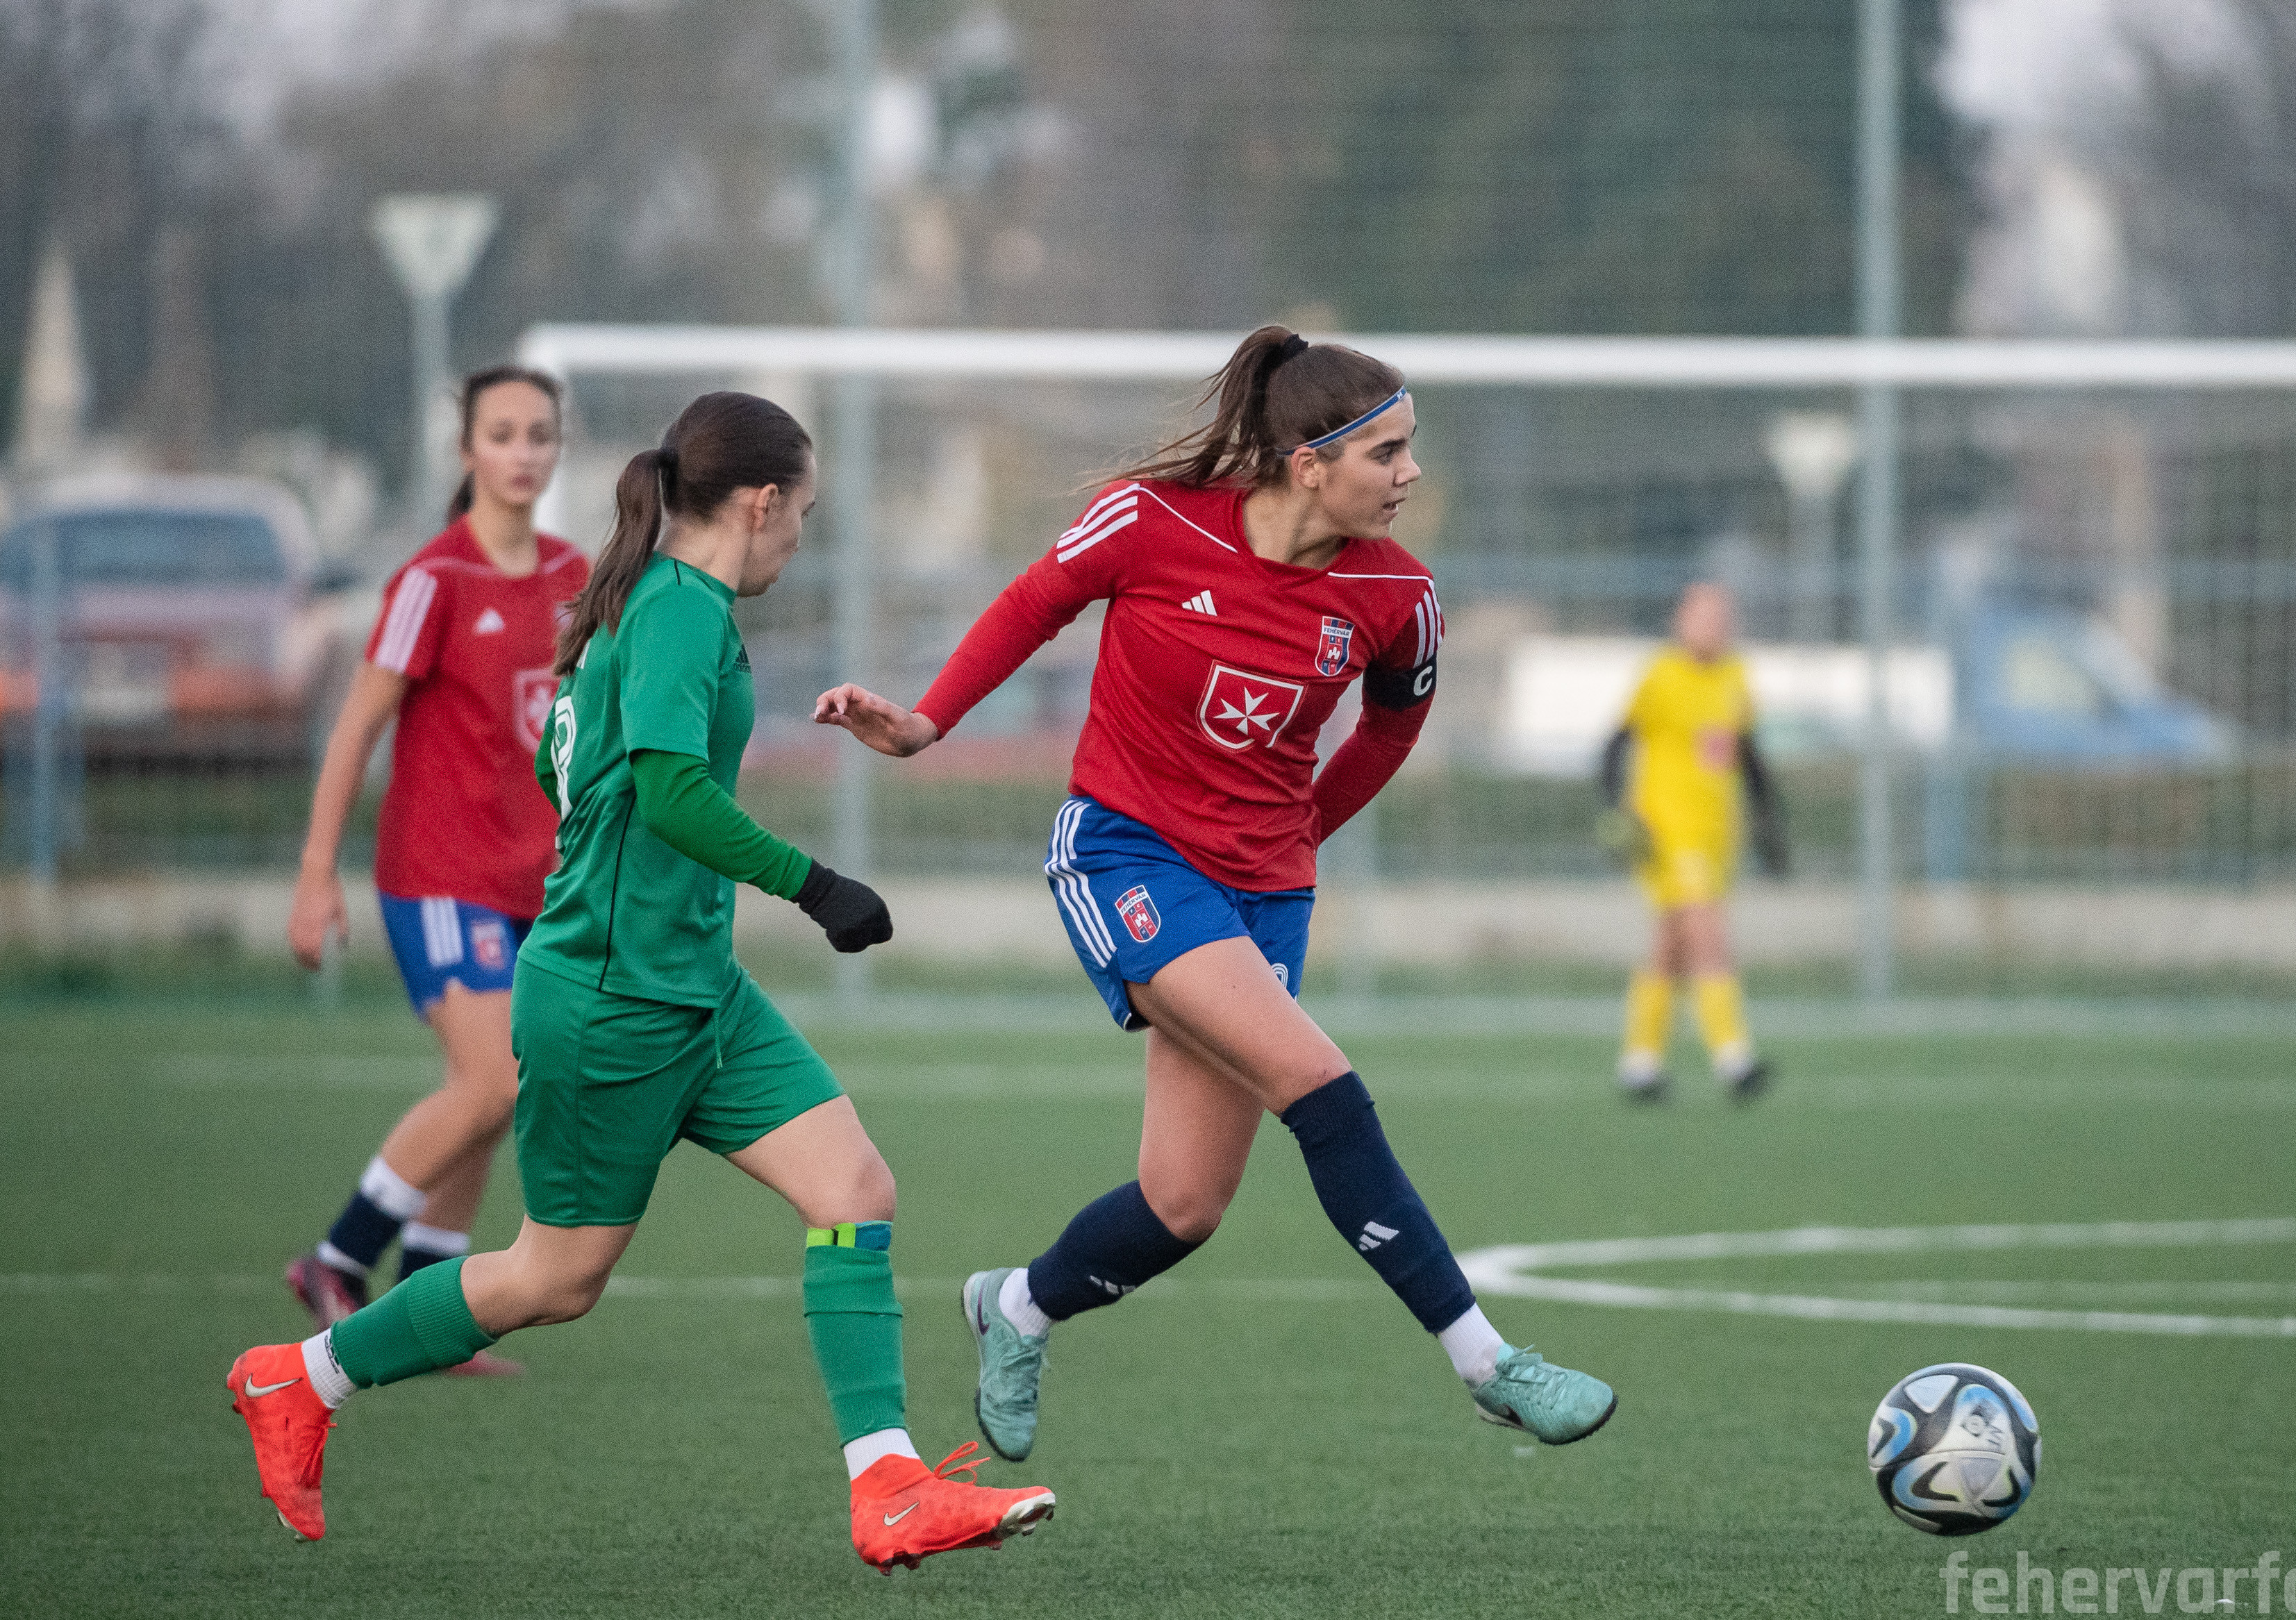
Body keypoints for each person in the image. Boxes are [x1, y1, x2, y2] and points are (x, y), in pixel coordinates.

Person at [231, 392, 1058, 1573]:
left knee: (853, 1186)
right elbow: (667, 793)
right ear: (760, 504)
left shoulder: (647, 602)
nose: (801, 536)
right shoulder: (675, 610)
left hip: (697, 987)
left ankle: (890, 1487)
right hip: (614, 1000)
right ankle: (300, 1378)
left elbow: (560, 764)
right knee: (554, 1277)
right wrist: (816, 884)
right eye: (804, 513)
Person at [815, 326, 1615, 1465]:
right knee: (1319, 1082)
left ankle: (1017, 1306)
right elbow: (1034, 601)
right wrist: (927, 721)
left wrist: (1305, 830)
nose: (1411, 472)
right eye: (1387, 452)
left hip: (1266, 892)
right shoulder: (1151, 520)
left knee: (1184, 1204)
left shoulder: (1401, 595)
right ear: (1309, 464)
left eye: (1412, 447)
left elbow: (1393, 728)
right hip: (1126, 854)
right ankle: (1489, 1362)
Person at [283, 365, 588, 1376]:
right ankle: (336, 1259)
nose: (522, 452)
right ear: (467, 451)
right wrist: (317, 869)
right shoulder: (433, 580)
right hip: (439, 875)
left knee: (503, 1085)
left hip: (534, 880)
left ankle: (432, 1303)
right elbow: (356, 726)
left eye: (539, 433)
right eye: (501, 433)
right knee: (492, 1079)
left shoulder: (575, 576)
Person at [1595, 581, 1788, 1104]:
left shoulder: (1736, 675)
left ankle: (1640, 1063)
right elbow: (1615, 744)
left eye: (1722, 617)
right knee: (1708, 933)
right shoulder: (1661, 674)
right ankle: (1734, 1058)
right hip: (1667, 831)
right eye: (1704, 616)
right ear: (1681, 620)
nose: (1715, 626)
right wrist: (1616, 812)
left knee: (1672, 945)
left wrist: (1770, 823)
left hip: (1719, 834)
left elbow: (1746, 753)